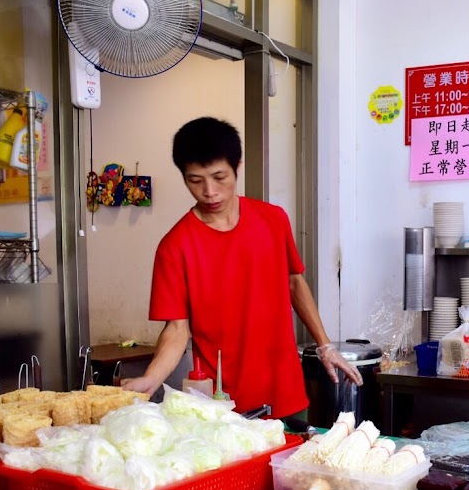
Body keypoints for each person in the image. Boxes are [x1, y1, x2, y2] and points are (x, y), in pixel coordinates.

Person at [121, 117, 360, 418]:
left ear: (238, 166)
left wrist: (325, 346)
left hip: (284, 393)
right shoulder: (175, 247)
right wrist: (150, 379)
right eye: (195, 180)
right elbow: (177, 329)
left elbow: (294, 283)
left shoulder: (273, 220)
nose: (209, 191)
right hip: (221, 406)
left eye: (219, 177)